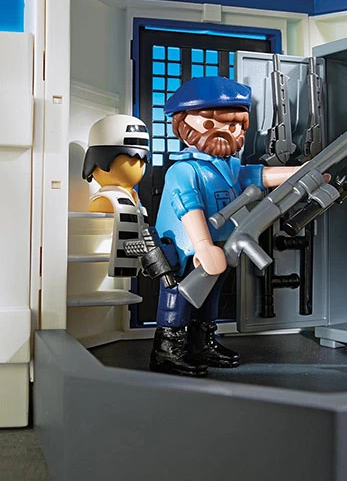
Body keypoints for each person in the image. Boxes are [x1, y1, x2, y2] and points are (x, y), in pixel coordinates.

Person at [151, 76, 305, 377]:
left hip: (221, 246)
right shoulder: (184, 169)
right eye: (210, 123)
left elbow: (262, 176)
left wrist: (303, 172)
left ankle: (202, 343)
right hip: (186, 249)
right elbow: (188, 207)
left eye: (234, 125)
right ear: (183, 124)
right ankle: (168, 350)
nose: (224, 131)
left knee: (211, 296)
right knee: (179, 295)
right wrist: (203, 246)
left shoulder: (230, 169)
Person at [83, 115, 150, 278]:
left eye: (142, 160)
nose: (139, 165)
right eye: (132, 159)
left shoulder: (134, 199)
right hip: (101, 267)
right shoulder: (107, 201)